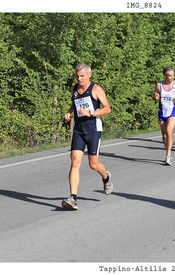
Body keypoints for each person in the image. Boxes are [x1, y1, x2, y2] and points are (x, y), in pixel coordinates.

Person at [62, 64, 112, 210]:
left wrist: (90, 113)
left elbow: (107, 108)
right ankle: (73, 197)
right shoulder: (74, 89)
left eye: (82, 76)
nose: (79, 78)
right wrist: (69, 112)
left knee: (93, 164)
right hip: (78, 130)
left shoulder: (96, 89)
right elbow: (75, 104)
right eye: (77, 76)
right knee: (75, 162)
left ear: (89, 75)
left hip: (93, 130)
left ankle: (106, 177)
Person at [154, 67, 175, 165]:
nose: (171, 77)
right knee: (164, 136)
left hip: (172, 111)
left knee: (169, 131)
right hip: (162, 111)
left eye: (172, 75)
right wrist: (155, 97)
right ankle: (168, 151)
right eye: (169, 75)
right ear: (164, 75)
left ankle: (168, 155)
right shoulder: (159, 85)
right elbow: (155, 96)